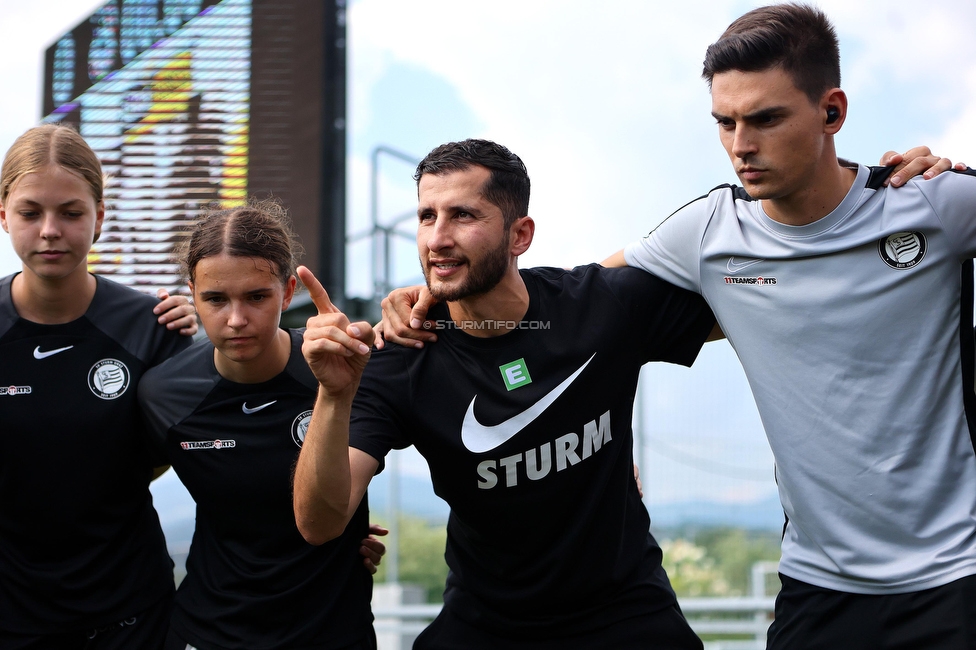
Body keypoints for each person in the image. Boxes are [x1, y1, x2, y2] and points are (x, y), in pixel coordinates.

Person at [605, 5, 976, 648]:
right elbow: (566, 306)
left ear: (832, 112)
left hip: (957, 580)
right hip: (818, 588)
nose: (741, 145)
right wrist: (434, 302)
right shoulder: (710, 233)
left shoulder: (933, 205)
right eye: (725, 122)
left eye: (766, 119)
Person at [293, 139, 718, 649]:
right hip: (485, 625)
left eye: (463, 215)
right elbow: (321, 522)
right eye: (427, 217)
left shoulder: (600, 306)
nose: (438, 238)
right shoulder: (402, 355)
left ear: (521, 234)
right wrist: (333, 396)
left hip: (624, 614)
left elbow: (750, 300)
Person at [138, 200, 383, 650]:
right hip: (208, 633)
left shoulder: (343, 371)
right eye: (214, 299)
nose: (236, 319)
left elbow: (325, 516)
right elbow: (117, 489)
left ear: (288, 292)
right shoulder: (162, 393)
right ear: (191, 293)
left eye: (256, 297)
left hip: (331, 634)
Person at [0, 123, 198, 649]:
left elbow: (217, 451)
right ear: (3, 216)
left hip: (132, 616)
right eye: (29, 212)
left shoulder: (155, 329)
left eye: (70, 212)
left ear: (99, 218)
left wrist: (329, 535)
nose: (50, 230)